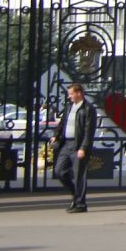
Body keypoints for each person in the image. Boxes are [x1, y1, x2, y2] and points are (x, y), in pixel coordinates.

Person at [52, 82, 96, 213]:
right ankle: (75, 194)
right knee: (59, 171)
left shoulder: (88, 109)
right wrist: (56, 135)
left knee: (79, 175)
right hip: (67, 144)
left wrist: (83, 147)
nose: (69, 96)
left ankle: (80, 204)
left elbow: (89, 131)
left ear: (79, 93)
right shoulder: (69, 107)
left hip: (79, 145)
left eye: (71, 94)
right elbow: (62, 123)